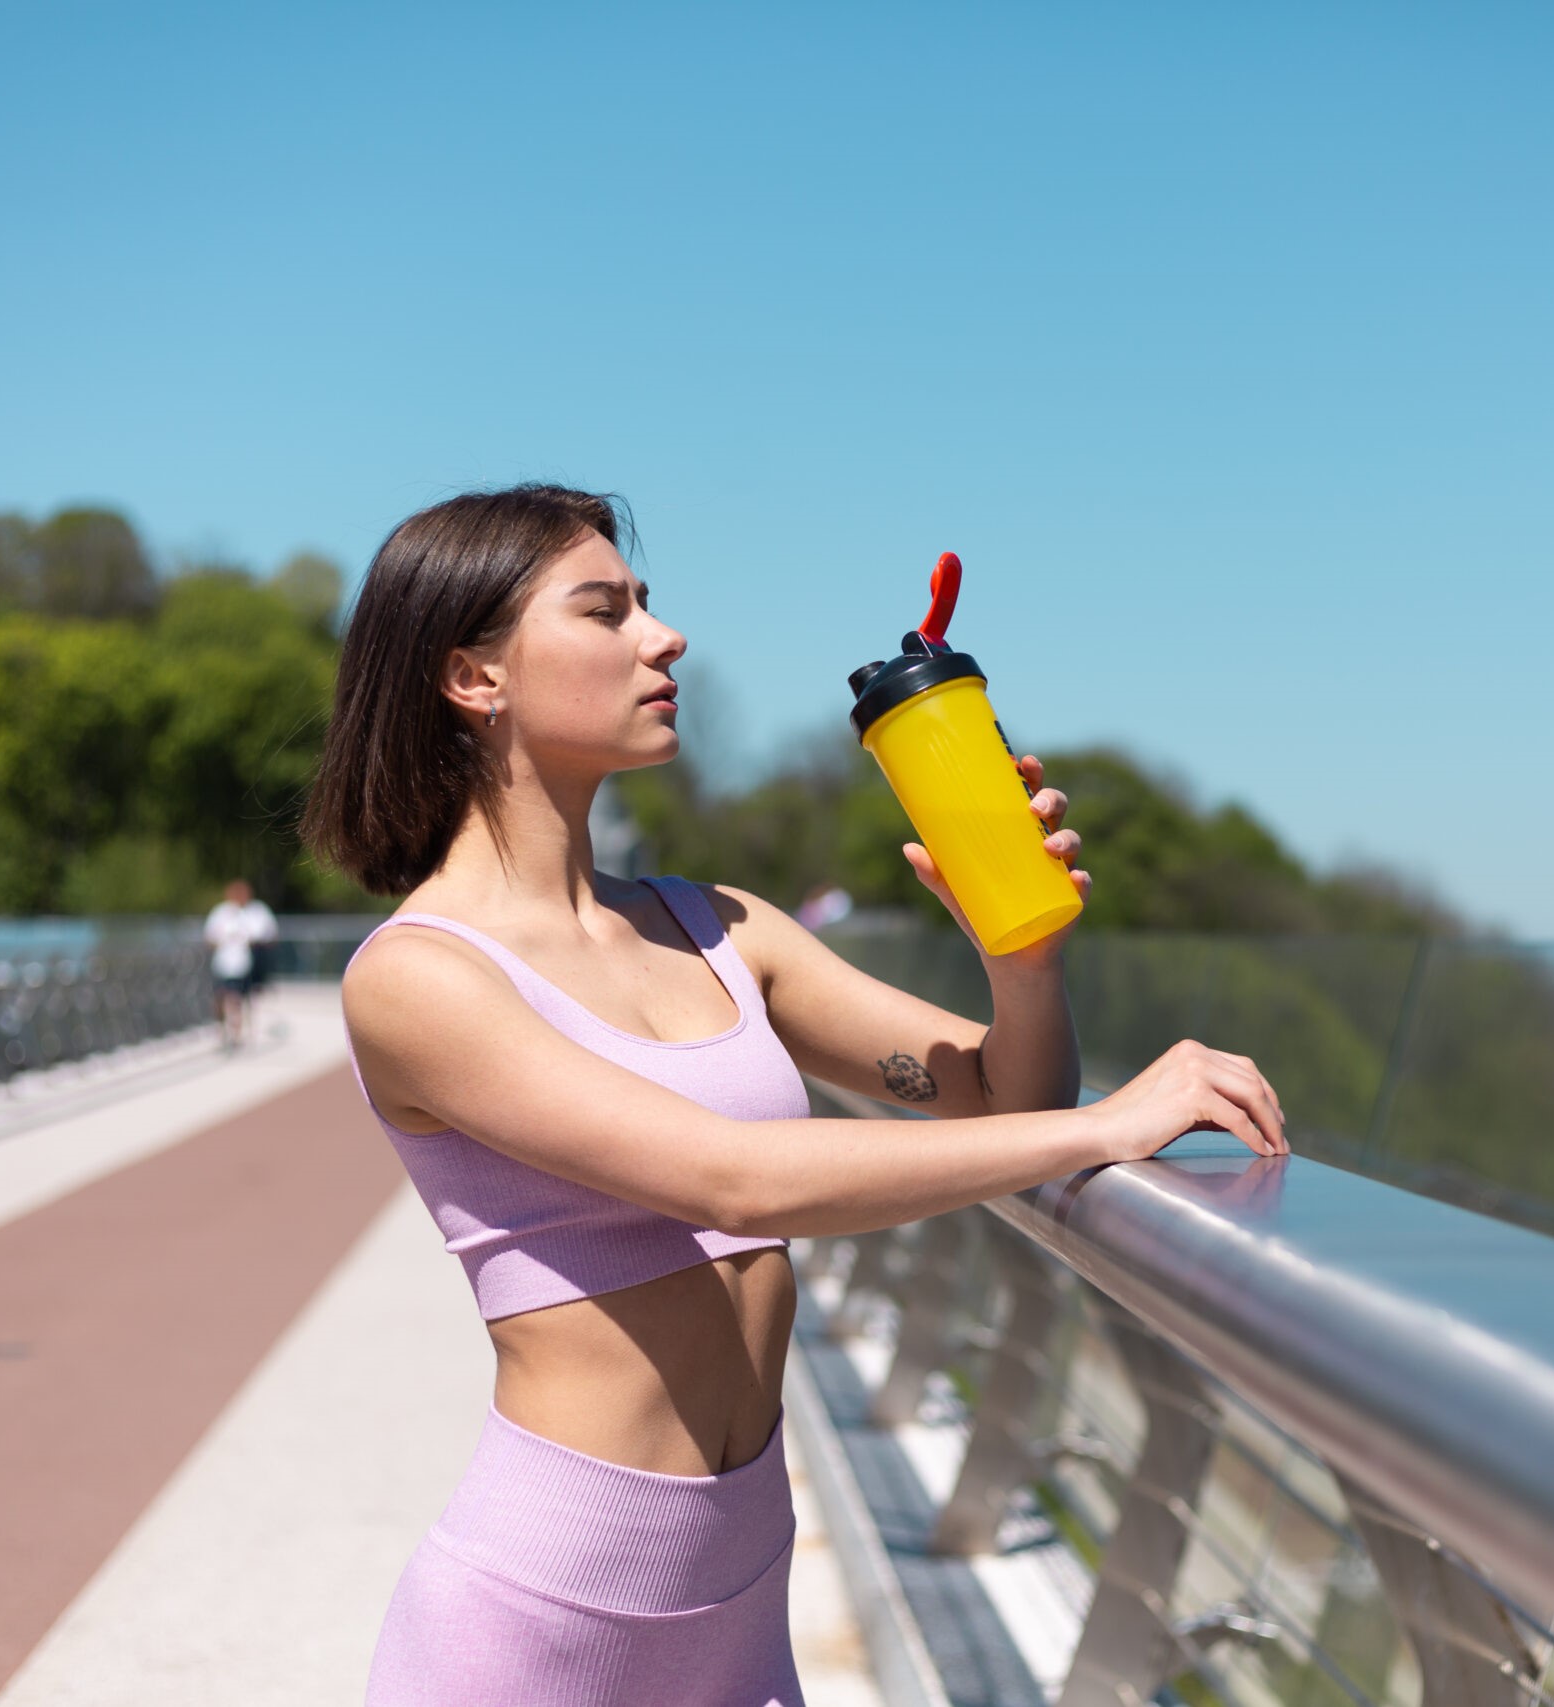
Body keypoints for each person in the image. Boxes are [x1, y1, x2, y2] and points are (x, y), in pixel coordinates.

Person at [302, 484, 1287, 1707]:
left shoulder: (719, 928)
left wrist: (1019, 956)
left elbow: (1000, 1098)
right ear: (472, 677)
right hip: (546, 1619)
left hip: (738, 1596)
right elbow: (733, 1176)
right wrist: (1108, 1127)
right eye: (606, 612)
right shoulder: (418, 979)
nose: (664, 640)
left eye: (650, 606)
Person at [202, 878, 278, 1049]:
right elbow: (209, 938)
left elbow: (269, 935)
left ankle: (236, 1035)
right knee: (220, 999)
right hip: (222, 964)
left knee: (237, 999)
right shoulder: (220, 912)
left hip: (244, 965)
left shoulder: (256, 911)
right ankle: (223, 1031)